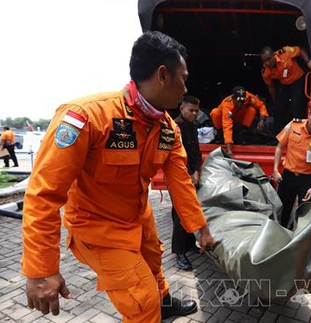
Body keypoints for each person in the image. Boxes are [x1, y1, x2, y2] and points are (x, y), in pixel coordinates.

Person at [21, 31, 215, 323]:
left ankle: (164, 302)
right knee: (142, 303)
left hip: (138, 216)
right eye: (183, 78)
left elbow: (181, 183)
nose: (186, 86)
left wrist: (200, 228)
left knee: (153, 265)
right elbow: (43, 195)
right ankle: (152, 309)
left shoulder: (167, 129)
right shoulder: (88, 117)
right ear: (163, 75)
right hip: (97, 228)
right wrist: (41, 270)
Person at [272, 101, 311, 229]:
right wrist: (275, 170)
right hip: (287, 177)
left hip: (308, 181)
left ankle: (298, 242)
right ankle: (281, 236)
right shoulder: (293, 125)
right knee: (283, 210)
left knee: (305, 216)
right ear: (309, 113)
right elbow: (279, 147)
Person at [171, 95, 202, 271]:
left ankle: (190, 245)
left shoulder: (192, 126)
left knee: (190, 210)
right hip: (178, 178)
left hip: (192, 175)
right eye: (191, 110)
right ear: (181, 108)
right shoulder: (175, 127)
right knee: (180, 215)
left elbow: (197, 152)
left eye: (197, 111)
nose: (194, 114)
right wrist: (189, 174)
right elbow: (175, 157)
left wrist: (196, 170)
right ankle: (180, 253)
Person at [260, 45, 311, 134]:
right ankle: (279, 136)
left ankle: (298, 134)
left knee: (296, 107)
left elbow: (300, 49)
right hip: (285, 85)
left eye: (269, 59)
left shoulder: (286, 52)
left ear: (274, 55)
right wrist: (275, 101)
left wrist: (308, 61)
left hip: (298, 80)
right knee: (278, 109)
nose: (267, 63)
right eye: (264, 61)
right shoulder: (265, 71)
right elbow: (271, 88)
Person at [210, 86, 269, 155]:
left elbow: (261, 105)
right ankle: (220, 134)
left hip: (239, 118)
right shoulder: (227, 105)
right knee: (215, 112)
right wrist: (229, 149)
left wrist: (262, 119)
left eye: (242, 101)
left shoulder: (248, 97)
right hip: (225, 121)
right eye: (238, 101)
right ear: (233, 98)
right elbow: (227, 127)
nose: (240, 104)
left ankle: (243, 133)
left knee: (251, 110)